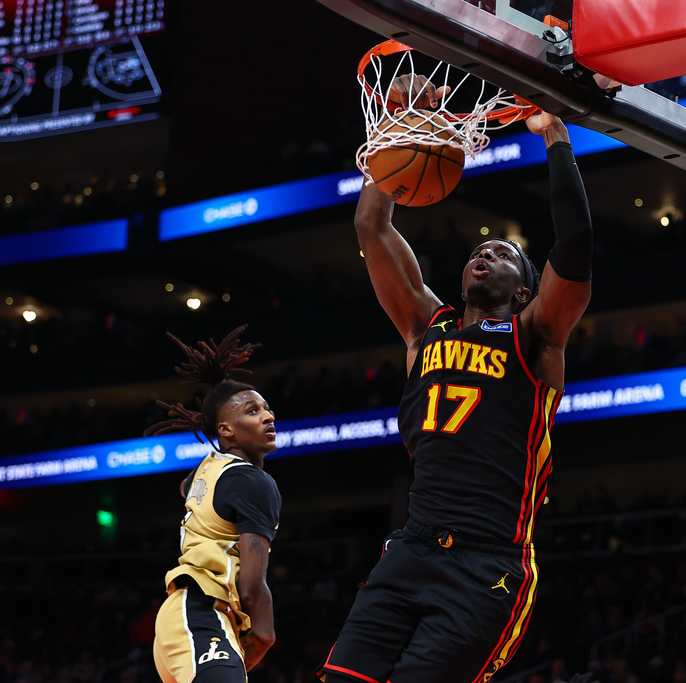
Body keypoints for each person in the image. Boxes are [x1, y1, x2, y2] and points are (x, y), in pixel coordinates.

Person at [317, 76, 593, 683]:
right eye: (481, 248)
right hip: (412, 548)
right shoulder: (425, 326)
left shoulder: (536, 337)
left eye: (503, 253)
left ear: (523, 290)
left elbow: (574, 247)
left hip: (488, 565)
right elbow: (371, 225)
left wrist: (555, 141)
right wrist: (404, 124)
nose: (486, 253)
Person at [145, 326, 282, 682]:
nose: (268, 416)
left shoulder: (208, 469)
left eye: (267, 409)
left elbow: (186, 488)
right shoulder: (254, 481)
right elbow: (253, 584)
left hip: (186, 619)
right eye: (253, 411)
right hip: (202, 614)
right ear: (225, 430)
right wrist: (265, 635)